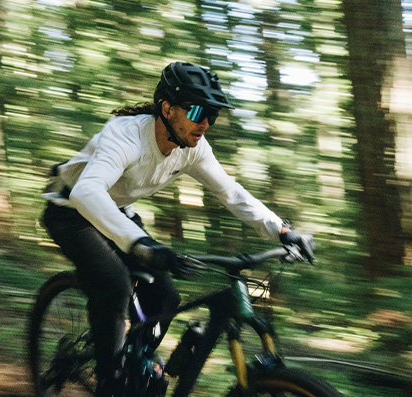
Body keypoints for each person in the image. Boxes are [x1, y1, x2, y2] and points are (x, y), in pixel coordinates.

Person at [41, 61, 315, 396]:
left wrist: (283, 231)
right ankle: (110, 379)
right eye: (198, 111)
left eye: (212, 115)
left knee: (166, 296)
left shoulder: (193, 148)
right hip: (70, 211)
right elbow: (87, 192)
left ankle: (137, 360)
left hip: (118, 213)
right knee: (114, 285)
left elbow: (230, 192)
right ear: (167, 108)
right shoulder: (126, 134)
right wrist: (139, 244)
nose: (205, 123)